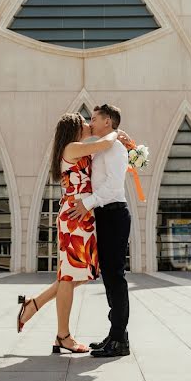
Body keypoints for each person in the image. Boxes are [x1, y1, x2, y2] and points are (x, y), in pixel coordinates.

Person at [14, 112, 131, 355]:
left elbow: (104, 153)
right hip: (74, 216)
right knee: (69, 276)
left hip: (83, 215)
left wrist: (124, 145)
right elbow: (106, 143)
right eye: (84, 122)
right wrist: (117, 133)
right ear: (75, 129)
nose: (89, 124)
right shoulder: (71, 148)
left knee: (80, 274)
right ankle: (62, 336)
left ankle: (33, 305)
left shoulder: (79, 148)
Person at [68, 104, 133, 358]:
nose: (90, 122)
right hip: (105, 215)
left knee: (116, 276)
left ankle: (119, 339)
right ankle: (116, 333)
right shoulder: (105, 146)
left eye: (94, 118)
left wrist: (87, 203)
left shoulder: (116, 148)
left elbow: (114, 185)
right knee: (109, 275)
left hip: (115, 213)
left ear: (108, 121)